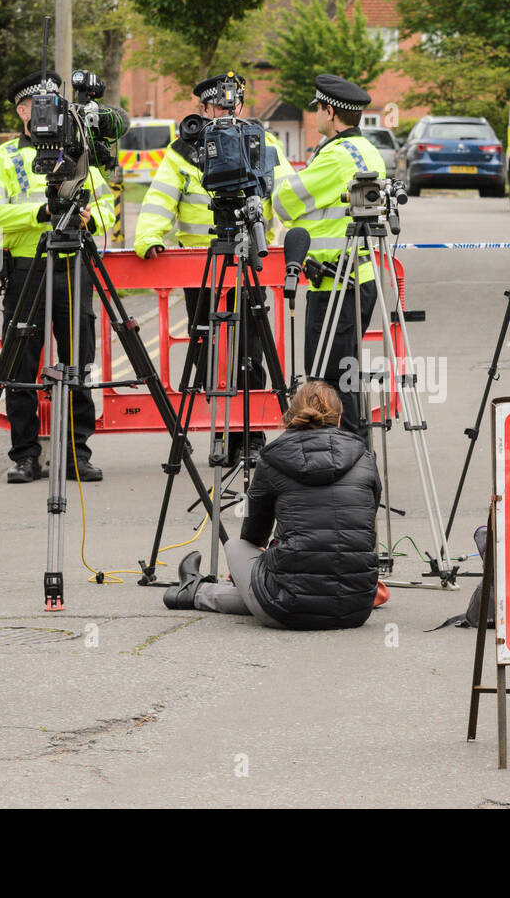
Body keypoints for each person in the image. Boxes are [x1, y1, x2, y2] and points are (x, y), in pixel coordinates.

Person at [134, 71, 290, 464]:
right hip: (199, 266)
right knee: (207, 350)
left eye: (230, 104)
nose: (223, 111)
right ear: (201, 109)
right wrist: (149, 237)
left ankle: (252, 437)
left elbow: (287, 194)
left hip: (250, 260)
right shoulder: (182, 151)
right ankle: (218, 431)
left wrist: (298, 237)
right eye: (216, 105)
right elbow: (160, 198)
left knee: (252, 351)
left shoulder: (263, 141)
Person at [0, 70, 117, 484]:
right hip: (26, 269)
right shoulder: (4, 157)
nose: (49, 111)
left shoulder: (79, 150)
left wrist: (93, 219)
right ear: (23, 110)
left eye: (54, 102)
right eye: (38, 104)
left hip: (73, 264)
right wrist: (39, 214)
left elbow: (108, 207)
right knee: (21, 364)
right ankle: (24, 455)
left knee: (80, 359)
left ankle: (78, 451)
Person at [163, 381, 382, 629]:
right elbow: (364, 521)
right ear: (340, 418)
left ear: (291, 415)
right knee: (294, 589)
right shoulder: (365, 457)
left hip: (287, 609)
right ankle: (194, 591)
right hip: (356, 607)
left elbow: (254, 535)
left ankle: (195, 591)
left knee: (237, 546)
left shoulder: (273, 457)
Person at [273, 74, 386, 437]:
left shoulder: (334, 158)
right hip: (358, 279)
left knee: (329, 380)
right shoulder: (367, 150)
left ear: (331, 112)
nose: (314, 117)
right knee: (344, 374)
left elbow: (284, 203)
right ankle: (353, 453)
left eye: (317, 110)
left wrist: (274, 171)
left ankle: (346, 454)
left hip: (334, 283)